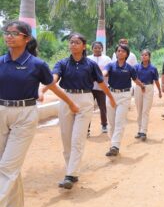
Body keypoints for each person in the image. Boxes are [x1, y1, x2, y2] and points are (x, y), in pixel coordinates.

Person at [0, 21, 78, 207]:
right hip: (1, 112)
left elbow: (52, 86)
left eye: (15, 33)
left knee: (7, 166)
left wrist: (70, 103)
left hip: (25, 115)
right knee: (7, 165)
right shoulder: (1, 62)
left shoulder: (37, 64)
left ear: (26, 38)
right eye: (7, 32)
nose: (9, 36)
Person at [44, 33, 116, 190]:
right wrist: (46, 87)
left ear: (83, 46)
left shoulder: (90, 65)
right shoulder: (62, 63)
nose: (73, 45)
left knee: (78, 138)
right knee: (66, 138)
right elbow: (54, 78)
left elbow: (101, 83)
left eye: (77, 42)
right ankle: (72, 170)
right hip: (65, 98)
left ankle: (70, 174)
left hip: (85, 99)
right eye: (71, 42)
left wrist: (110, 98)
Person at [103, 44, 145, 157]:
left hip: (124, 96)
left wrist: (142, 86)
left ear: (126, 54)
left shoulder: (130, 68)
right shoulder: (110, 65)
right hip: (111, 95)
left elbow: (136, 80)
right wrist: (100, 75)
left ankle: (115, 146)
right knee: (111, 122)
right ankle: (113, 143)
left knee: (119, 121)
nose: (119, 52)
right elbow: (104, 73)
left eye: (122, 51)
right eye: (118, 51)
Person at [134, 50, 162, 141]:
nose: (144, 56)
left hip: (149, 88)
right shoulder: (136, 67)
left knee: (145, 110)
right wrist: (140, 85)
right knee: (139, 110)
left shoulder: (153, 68)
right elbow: (134, 78)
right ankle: (139, 129)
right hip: (138, 87)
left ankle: (144, 131)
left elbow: (156, 80)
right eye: (142, 55)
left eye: (146, 55)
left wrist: (160, 91)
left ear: (149, 57)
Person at [87, 41, 112, 135]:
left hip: (102, 87)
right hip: (90, 88)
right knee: (88, 108)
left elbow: (110, 71)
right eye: (95, 48)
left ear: (102, 49)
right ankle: (87, 128)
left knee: (103, 107)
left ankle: (104, 125)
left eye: (99, 48)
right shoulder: (88, 59)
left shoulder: (107, 59)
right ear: (92, 49)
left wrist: (102, 75)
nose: (97, 49)